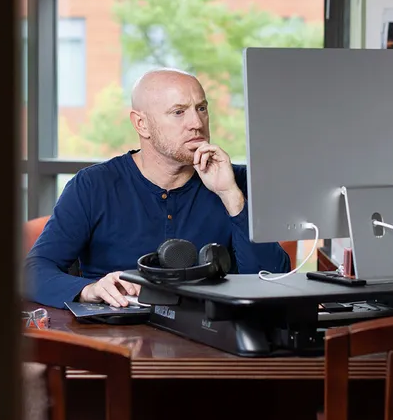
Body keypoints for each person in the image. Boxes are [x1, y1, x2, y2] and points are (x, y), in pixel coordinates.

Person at [25, 68, 291, 308]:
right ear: (141, 124)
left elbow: (273, 279)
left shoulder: (235, 181)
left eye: (201, 108)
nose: (196, 123)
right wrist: (88, 289)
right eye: (179, 112)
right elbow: (34, 271)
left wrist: (231, 196)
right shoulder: (92, 186)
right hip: (117, 338)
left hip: (212, 341)